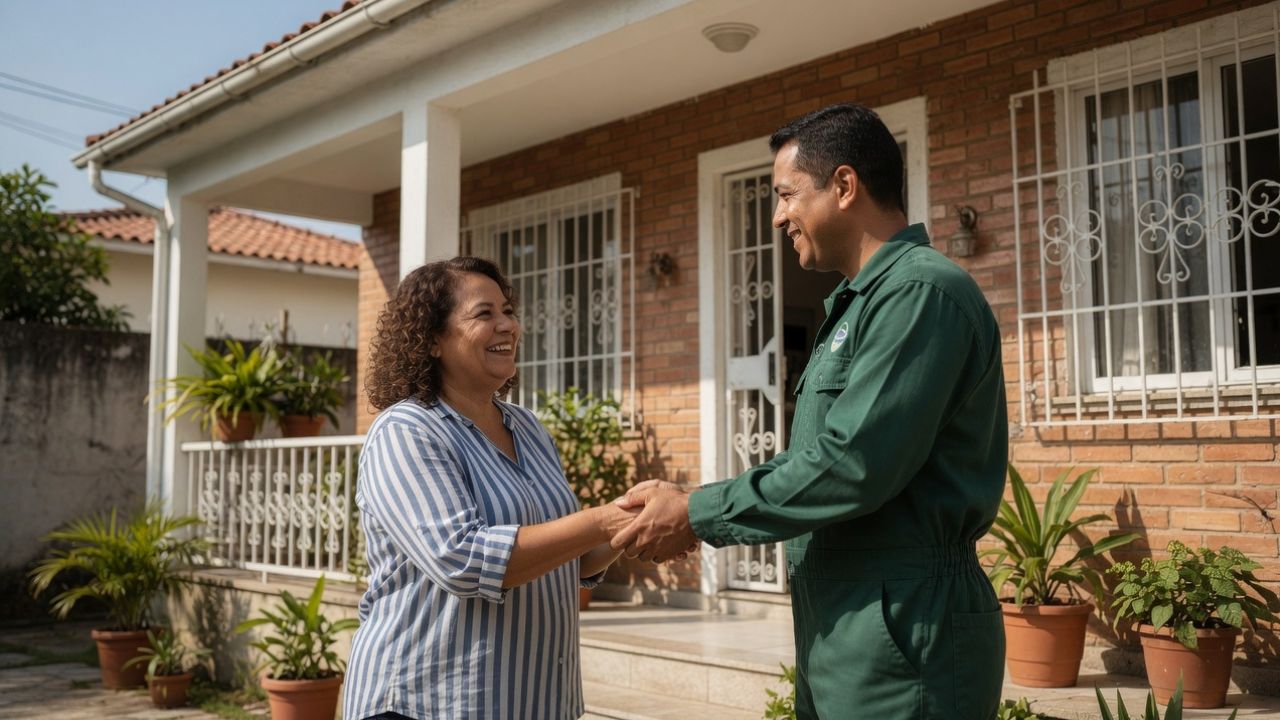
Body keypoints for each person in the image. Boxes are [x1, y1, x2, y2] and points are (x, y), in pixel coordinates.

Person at [613, 104, 1008, 719]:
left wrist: (696, 510)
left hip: (906, 625)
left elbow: (853, 463)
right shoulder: (857, 305)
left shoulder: (920, 293)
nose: (777, 217)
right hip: (846, 621)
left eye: (786, 194)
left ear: (845, 186)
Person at [344, 257, 641, 720]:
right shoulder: (407, 430)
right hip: (427, 703)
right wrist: (602, 519)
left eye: (507, 310)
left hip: (533, 698)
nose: (509, 325)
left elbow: (569, 555)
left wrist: (631, 523)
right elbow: (462, 560)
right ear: (433, 339)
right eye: (484, 314)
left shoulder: (527, 427)